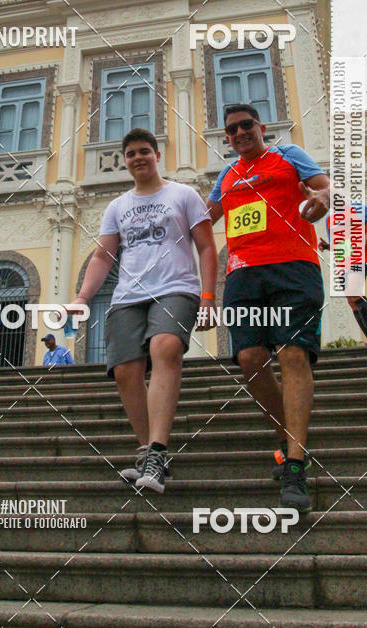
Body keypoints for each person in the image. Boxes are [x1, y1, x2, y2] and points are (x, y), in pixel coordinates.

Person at [67, 128, 217, 494]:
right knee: (124, 372)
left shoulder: (183, 194)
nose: (138, 158)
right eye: (131, 153)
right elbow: (104, 255)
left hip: (177, 288)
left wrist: (209, 296)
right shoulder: (117, 206)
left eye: (145, 151)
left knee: (165, 346)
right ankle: (148, 451)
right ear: (125, 160)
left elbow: (207, 247)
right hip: (127, 296)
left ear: (157, 155)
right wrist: (83, 297)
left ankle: (157, 454)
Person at [206, 104, 330, 512]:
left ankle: (294, 466)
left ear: (261, 127)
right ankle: (289, 437)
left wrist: (322, 200)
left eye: (246, 125)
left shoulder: (288, 155)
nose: (240, 132)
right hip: (243, 275)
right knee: (249, 359)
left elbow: (324, 187)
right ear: (227, 137)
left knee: (293, 354)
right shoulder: (226, 175)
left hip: (294, 267)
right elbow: (204, 217)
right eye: (232, 129)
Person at [319, 203, 367, 345]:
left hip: (359, 257)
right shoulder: (329, 218)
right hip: (343, 261)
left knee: (355, 292)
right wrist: (327, 246)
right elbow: (337, 244)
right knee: (351, 301)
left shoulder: (359, 208)